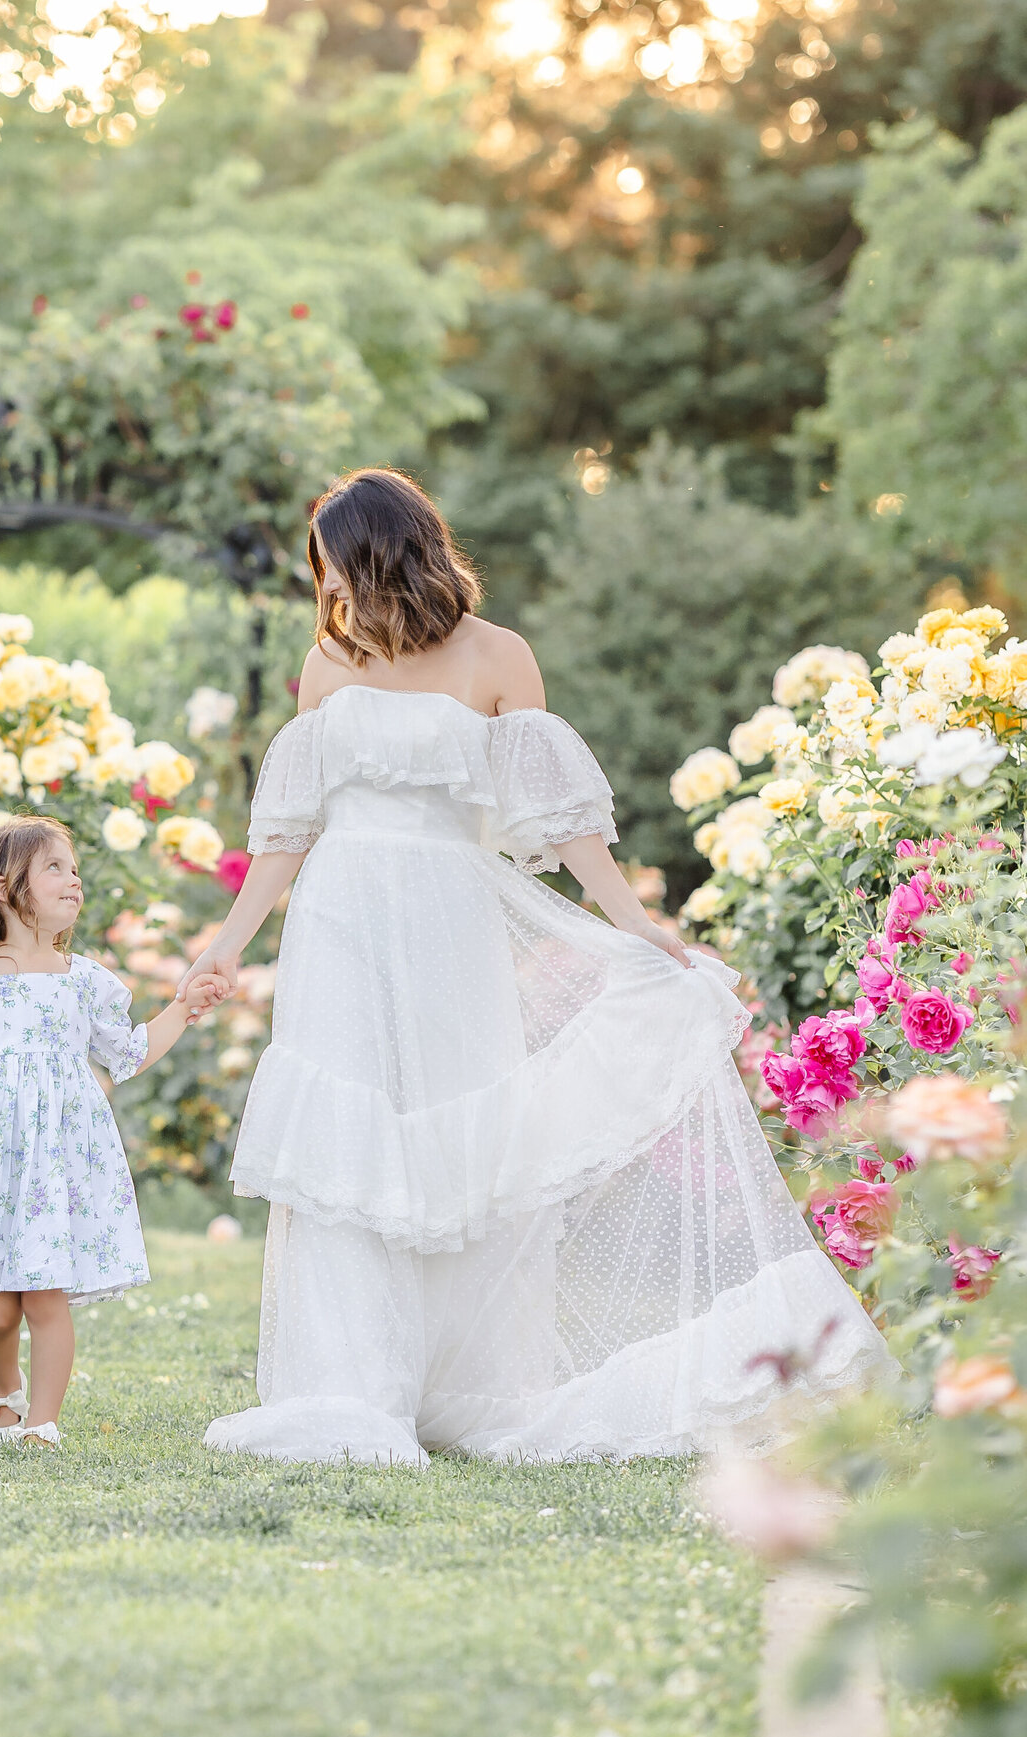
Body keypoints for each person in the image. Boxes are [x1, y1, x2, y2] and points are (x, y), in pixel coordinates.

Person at [181, 468, 894, 1466]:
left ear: (381, 549)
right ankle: (348, 1386)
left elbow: (562, 828)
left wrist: (637, 927)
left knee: (469, 1139)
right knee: (348, 1144)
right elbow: (290, 829)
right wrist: (226, 944)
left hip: (448, 920)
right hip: (338, 923)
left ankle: (468, 1384)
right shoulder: (326, 662)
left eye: (334, 557)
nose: (326, 578)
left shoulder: (497, 656)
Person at [0, 815, 223, 1446]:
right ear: (7, 890)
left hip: (56, 1160)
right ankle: (3, 1388)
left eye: (74, 868)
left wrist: (182, 1007)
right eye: (55, 869)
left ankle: (42, 1422)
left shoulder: (81, 979)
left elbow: (128, 1050)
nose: (74, 881)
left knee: (46, 1294)